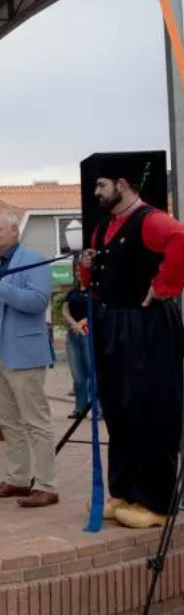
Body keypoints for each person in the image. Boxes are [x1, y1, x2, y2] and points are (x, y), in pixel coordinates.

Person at [85, 163, 184, 528]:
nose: (96, 192)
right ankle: (125, 491)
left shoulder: (151, 220)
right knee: (120, 409)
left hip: (146, 326)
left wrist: (164, 286)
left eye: (101, 185)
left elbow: (181, 240)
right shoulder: (103, 228)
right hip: (114, 325)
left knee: (151, 408)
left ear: (122, 184)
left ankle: (155, 501)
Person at [0, 210, 57, 508]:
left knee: (35, 421)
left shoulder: (33, 260)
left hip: (23, 353)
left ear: (14, 231)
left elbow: (38, 302)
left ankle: (46, 485)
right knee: (7, 421)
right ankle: (18, 478)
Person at [60, 274, 91, 419]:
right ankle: (80, 408)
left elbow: (97, 309)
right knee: (77, 374)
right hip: (73, 334)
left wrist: (82, 323)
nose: (80, 274)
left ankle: (99, 409)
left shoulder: (94, 290)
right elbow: (65, 309)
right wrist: (73, 323)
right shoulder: (73, 292)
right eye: (78, 271)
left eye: (82, 270)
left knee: (93, 373)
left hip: (89, 333)